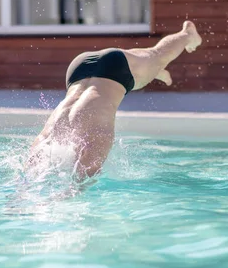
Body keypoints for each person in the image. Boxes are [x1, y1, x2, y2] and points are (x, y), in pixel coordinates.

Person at [26, 20, 203, 182]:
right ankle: (153, 71)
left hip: (111, 69)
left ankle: (188, 34)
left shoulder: (84, 136)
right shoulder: (56, 134)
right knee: (146, 61)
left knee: (158, 54)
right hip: (81, 67)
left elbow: (82, 181)